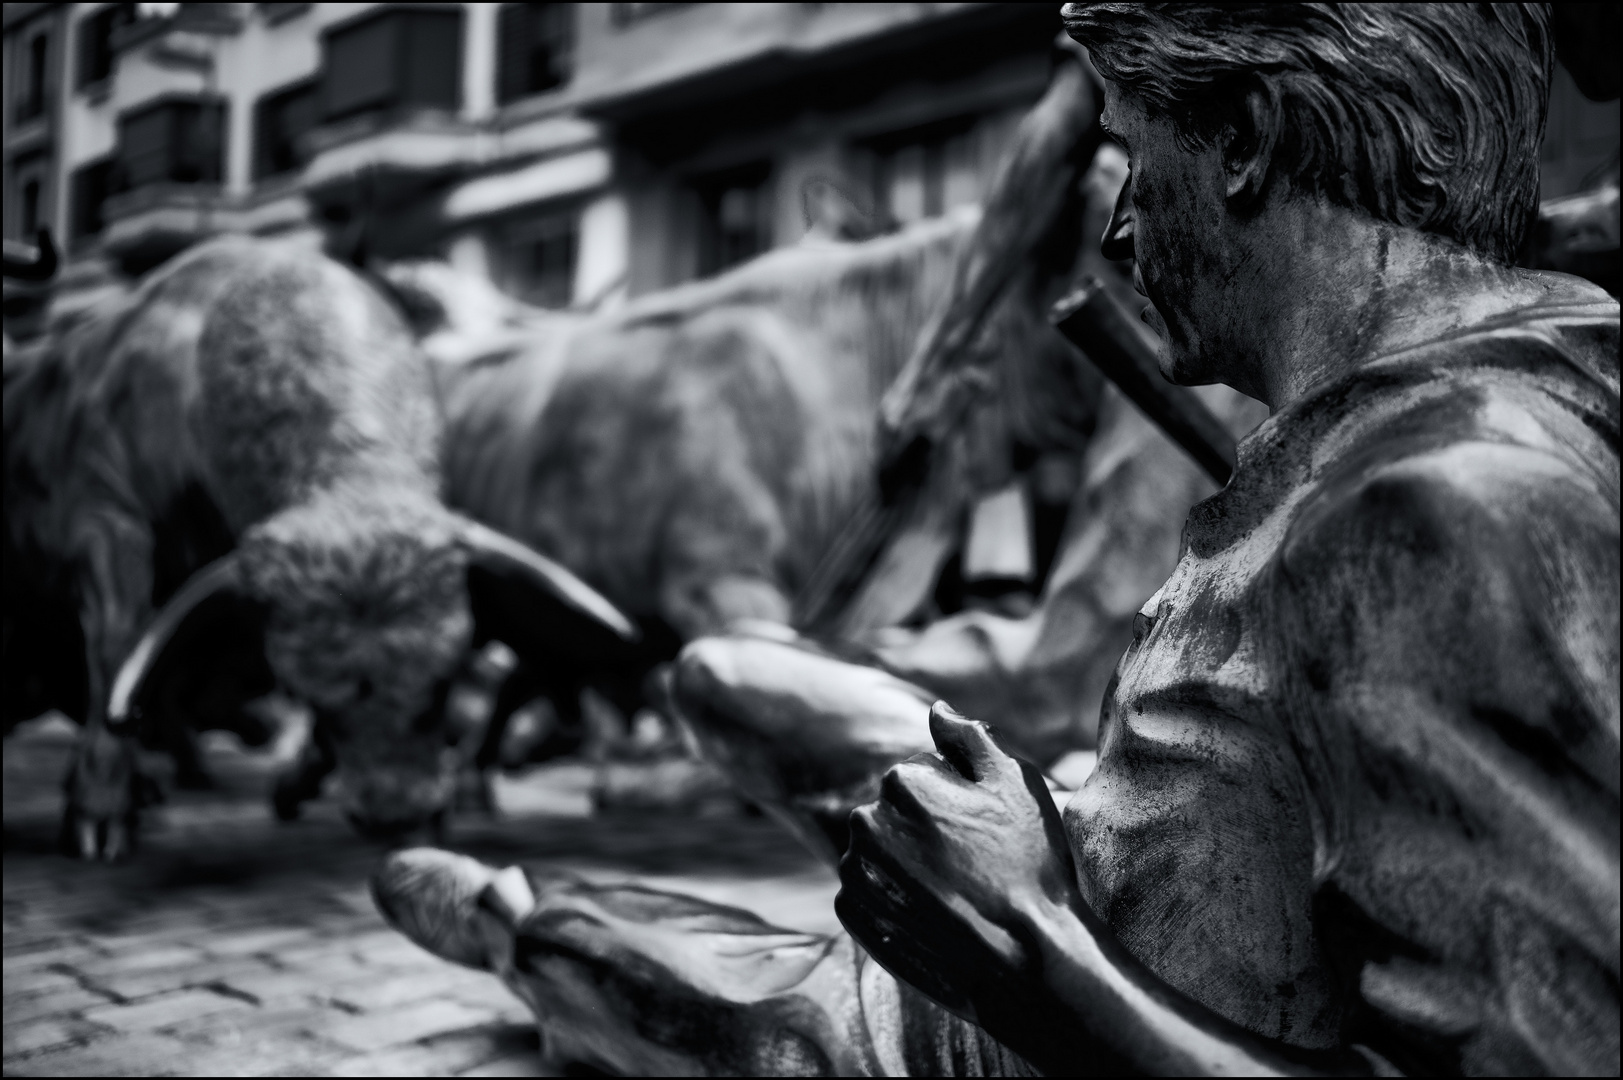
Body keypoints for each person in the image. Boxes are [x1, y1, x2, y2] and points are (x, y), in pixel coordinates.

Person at [372, 4, 1619, 1075]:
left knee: (669, 979)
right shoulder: (1429, 406)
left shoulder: (1430, 516)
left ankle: (511, 923)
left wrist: (1026, 934)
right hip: (1124, 839)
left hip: (1008, 1012)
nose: (1122, 233)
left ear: (1241, 145)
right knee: (735, 679)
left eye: (1136, 163)